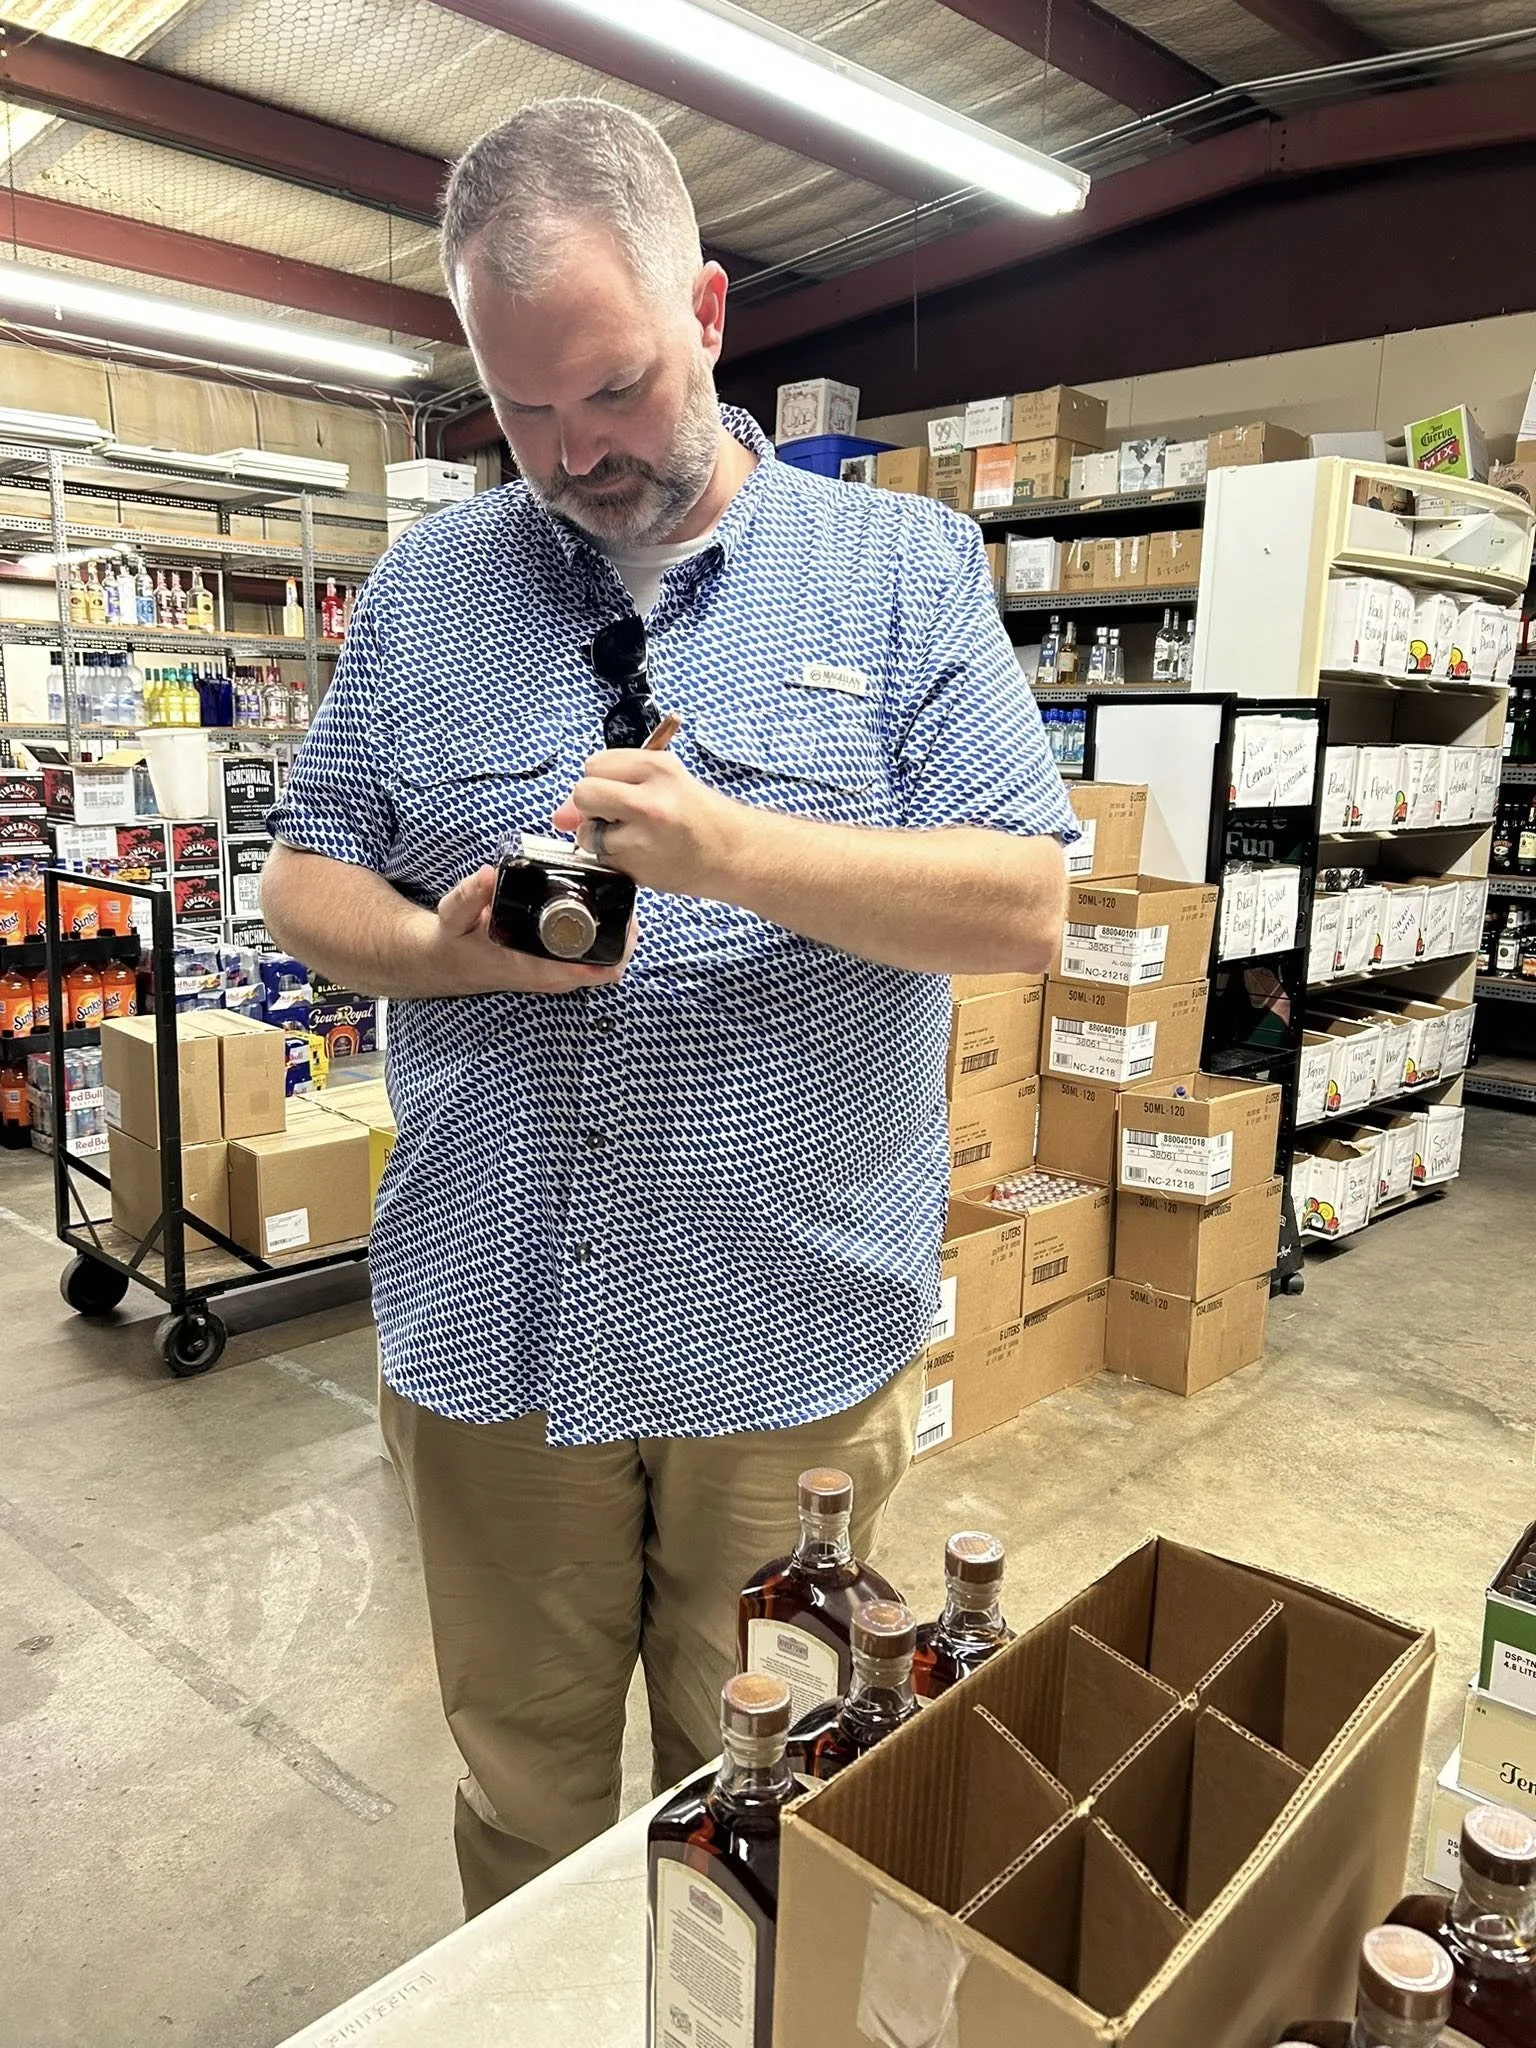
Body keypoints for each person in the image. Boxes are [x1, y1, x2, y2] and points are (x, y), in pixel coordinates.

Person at [261, 96, 1074, 1918]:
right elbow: (303, 872)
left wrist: (732, 855)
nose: (574, 453)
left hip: (780, 1343)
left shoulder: (905, 573)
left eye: (614, 389)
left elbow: (1027, 899)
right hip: (496, 1329)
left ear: (708, 315)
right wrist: (448, 947)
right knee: (527, 1796)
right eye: (523, 410)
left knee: (789, 1809)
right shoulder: (426, 588)